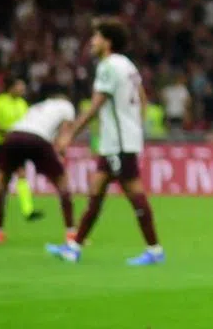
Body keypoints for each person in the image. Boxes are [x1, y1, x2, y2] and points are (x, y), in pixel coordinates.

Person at [45, 17, 164, 265]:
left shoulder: (108, 66)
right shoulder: (128, 65)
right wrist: (136, 125)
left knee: (134, 194)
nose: (92, 41)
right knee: (95, 193)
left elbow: (95, 107)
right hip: (117, 141)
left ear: (107, 42)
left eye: (96, 37)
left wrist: (69, 134)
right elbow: (142, 97)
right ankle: (74, 248)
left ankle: (154, 250)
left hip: (119, 144)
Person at [0, 90, 77, 244]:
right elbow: (65, 133)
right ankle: (71, 232)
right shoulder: (67, 106)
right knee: (62, 183)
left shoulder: (37, 106)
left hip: (13, 136)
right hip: (37, 138)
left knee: (2, 184)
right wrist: (61, 150)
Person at [0, 78, 42, 223]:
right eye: (20, 86)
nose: (22, 89)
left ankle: (28, 211)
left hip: (16, 145)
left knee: (21, 174)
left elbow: (28, 123)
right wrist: (7, 132)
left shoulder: (23, 104)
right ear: (11, 87)